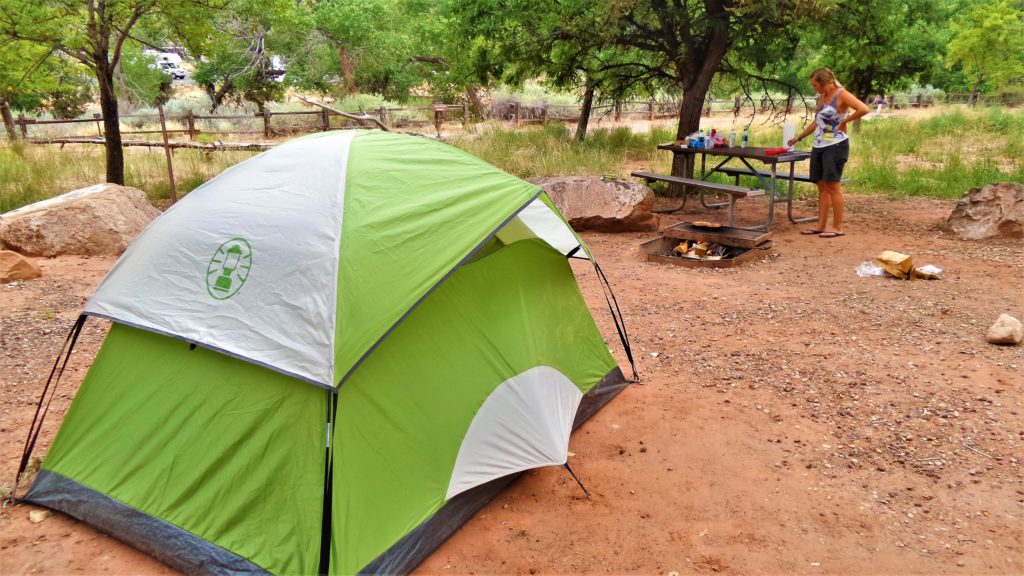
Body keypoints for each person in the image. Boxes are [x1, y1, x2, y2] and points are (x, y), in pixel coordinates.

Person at [788, 67, 870, 238]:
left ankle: (837, 227)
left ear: (824, 82)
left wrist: (845, 121)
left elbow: (864, 109)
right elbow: (817, 122)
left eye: (815, 85)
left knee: (833, 186)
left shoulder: (841, 94)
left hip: (836, 145)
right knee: (822, 186)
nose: (814, 88)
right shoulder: (823, 97)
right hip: (819, 145)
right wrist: (799, 137)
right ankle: (821, 225)